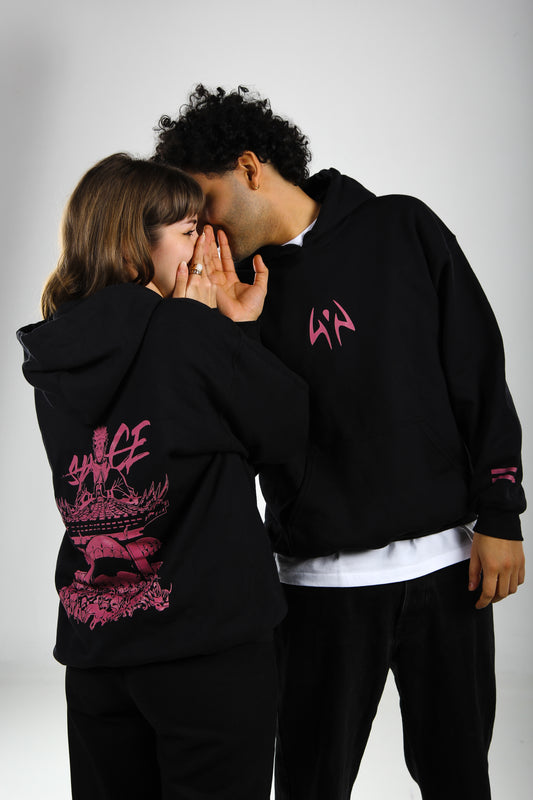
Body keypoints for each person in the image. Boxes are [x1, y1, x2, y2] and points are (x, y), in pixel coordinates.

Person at [153, 85, 527, 800]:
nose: (201, 233)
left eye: (205, 203)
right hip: (317, 588)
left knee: (459, 780)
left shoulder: (402, 227)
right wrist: (225, 335)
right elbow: (239, 445)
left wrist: (502, 512)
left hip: (448, 571)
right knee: (308, 785)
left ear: (250, 167)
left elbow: (476, 368)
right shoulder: (234, 293)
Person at [17, 152, 308, 800]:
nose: (206, 245)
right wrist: (235, 329)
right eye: (189, 230)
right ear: (133, 247)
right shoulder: (184, 329)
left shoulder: (56, 348)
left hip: (96, 653)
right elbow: (288, 431)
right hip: (205, 649)